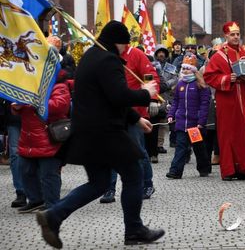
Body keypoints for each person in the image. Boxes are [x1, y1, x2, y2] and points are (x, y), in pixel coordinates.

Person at [35, 20, 164, 248]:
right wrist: (145, 93)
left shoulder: (91, 56)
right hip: (105, 132)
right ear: (118, 43)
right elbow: (118, 96)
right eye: (125, 45)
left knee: (98, 182)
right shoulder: (108, 59)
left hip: (87, 132)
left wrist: (136, 118)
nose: (126, 49)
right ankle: (134, 229)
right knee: (134, 174)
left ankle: (54, 215)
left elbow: (105, 98)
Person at [203, 21, 245, 181]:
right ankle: (230, 170)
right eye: (232, 34)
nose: (236, 37)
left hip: (243, 98)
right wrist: (226, 78)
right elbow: (209, 76)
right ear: (226, 36)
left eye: (237, 34)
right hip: (227, 100)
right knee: (227, 133)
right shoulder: (219, 55)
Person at [99, 43, 159, 203]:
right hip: (112, 112)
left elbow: (150, 76)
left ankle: (146, 184)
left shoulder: (137, 54)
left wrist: (152, 98)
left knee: (138, 151)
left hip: (135, 113)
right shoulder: (106, 55)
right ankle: (109, 189)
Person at [14, 68, 71, 213]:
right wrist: (17, 107)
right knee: (26, 170)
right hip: (28, 137)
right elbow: (17, 107)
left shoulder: (59, 84)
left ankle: (52, 204)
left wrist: (34, 102)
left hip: (49, 136)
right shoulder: (27, 81)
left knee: (49, 174)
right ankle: (35, 200)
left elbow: (60, 105)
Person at [166, 55, 211, 179]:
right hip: (181, 122)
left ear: (193, 70)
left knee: (199, 148)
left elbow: (204, 104)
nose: (185, 71)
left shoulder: (200, 85)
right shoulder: (180, 84)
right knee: (180, 147)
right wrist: (171, 114)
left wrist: (201, 121)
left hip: (194, 124)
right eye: (183, 69)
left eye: (187, 69)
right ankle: (175, 171)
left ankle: (204, 168)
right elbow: (175, 102)